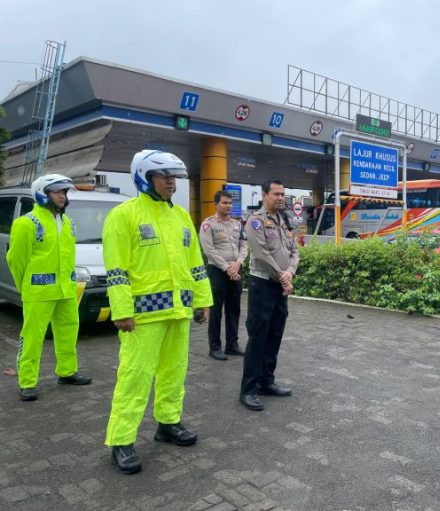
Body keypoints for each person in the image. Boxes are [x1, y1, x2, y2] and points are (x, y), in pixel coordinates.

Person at [103, 149, 212, 474]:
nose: (170, 182)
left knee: (174, 371)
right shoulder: (123, 215)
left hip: (178, 312)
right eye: (163, 176)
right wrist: (121, 310)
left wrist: (202, 300)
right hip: (142, 317)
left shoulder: (181, 217)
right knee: (135, 376)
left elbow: (195, 263)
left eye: (173, 176)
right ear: (144, 177)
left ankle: (168, 423)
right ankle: (121, 440)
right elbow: (116, 269)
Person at [7, 174, 92, 402]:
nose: (62, 196)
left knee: (68, 331)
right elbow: (16, 260)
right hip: (39, 291)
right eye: (57, 192)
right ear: (42, 194)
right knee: (33, 336)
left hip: (66, 289)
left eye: (64, 192)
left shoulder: (69, 223)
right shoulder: (27, 223)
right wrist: (25, 287)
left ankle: (67, 372)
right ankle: (27, 382)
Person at [239, 179, 298, 411]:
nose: (281, 197)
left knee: (275, 335)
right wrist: (283, 277)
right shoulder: (255, 221)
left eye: (283, 194)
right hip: (262, 285)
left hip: (281, 287)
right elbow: (262, 254)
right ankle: (249, 389)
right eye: (276, 194)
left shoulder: (285, 220)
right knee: (258, 337)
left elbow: (295, 252)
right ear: (264, 195)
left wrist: (289, 273)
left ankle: (266, 382)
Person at [199, 190, 248, 360]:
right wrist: (227, 268)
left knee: (234, 309)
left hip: (235, 270)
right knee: (216, 310)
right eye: (224, 203)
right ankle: (215, 347)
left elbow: (244, 246)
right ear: (216, 204)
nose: (228, 206)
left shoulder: (237, 224)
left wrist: (238, 263)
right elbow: (209, 250)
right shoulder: (208, 224)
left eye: (230, 203)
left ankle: (232, 345)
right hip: (217, 272)